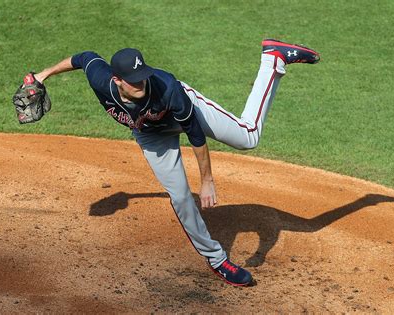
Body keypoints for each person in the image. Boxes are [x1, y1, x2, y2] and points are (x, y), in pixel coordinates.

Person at [31, 39, 320, 286]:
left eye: (143, 76)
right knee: (181, 197)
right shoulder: (100, 79)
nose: (141, 83)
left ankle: (273, 60)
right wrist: (42, 76)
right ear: (117, 80)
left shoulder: (167, 87)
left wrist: (207, 181)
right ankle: (218, 260)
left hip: (184, 115)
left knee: (248, 137)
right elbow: (83, 58)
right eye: (134, 81)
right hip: (151, 136)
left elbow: (195, 135)